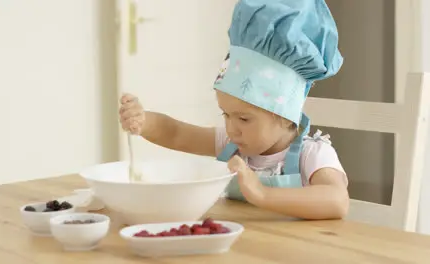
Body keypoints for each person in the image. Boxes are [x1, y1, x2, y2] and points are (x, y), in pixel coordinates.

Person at [119, 0, 349, 220]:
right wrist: (144, 121)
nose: (232, 128)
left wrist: (262, 193)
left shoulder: (312, 155)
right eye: (225, 114)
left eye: (244, 119)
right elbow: (176, 134)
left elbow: (337, 200)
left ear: (284, 116)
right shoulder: (232, 146)